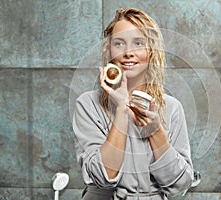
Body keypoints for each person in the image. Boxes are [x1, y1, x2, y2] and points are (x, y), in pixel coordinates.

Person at [72, 8, 197, 200]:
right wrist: (121, 110)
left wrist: (155, 131)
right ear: (109, 51)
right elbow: (103, 177)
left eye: (138, 43)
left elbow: (180, 185)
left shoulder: (171, 108)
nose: (128, 53)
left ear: (151, 51)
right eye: (119, 43)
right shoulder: (88, 104)